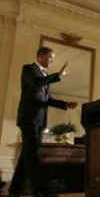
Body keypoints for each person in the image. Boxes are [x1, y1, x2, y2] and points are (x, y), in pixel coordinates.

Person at [9, 47, 78, 197]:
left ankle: (14, 190)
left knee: (26, 157)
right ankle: (38, 191)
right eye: (50, 57)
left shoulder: (44, 75)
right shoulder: (28, 69)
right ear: (40, 56)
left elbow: (47, 100)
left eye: (52, 58)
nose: (51, 60)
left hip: (39, 121)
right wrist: (58, 75)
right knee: (33, 156)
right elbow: (36, 83)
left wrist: (65, 104)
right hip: (28, 119)